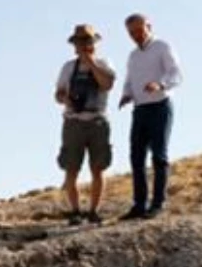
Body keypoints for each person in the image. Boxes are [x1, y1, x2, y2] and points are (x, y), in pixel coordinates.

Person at [118, 13, 183, 220]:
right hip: (140, 110)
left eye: (139, 30)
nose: (136, 35)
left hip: (160, 106)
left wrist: (160, 84)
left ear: (149, 26)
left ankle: (157, 203)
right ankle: (139, 204)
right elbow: (129, 79)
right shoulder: (133, 56)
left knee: (159, 156)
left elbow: (176, 74)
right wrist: (126, 94)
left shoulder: (162, 47)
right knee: (136, 157)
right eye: (131, 33)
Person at [55, 24, 117, 225]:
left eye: (88, 42)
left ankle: (93, 211)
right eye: (80, 42)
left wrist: (90, 63)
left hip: (97, 121)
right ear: (74, 45)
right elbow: (58, 94)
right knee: (71, 168)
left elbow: (106, 84)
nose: (84, 46)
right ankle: (74, 211)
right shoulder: (68, 68)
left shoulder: (104, 63)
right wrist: (65, 98)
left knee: (98, 168)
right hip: (73, 121)